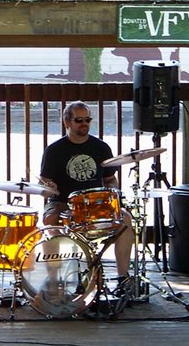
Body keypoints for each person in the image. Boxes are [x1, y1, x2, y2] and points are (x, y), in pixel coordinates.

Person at [39, 101, 134, 292]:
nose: (84, 124)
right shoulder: (55, 150)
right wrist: (49, 187)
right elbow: (43, 181)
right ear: (67, 122)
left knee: (125, 219)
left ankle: (123, 277)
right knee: (50, 220)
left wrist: (113, 194)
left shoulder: (100, 147)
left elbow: (110, 180)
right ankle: (55, 281)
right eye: (79, 120)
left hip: (95, 204)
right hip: (63, 202)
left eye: (87, 119)